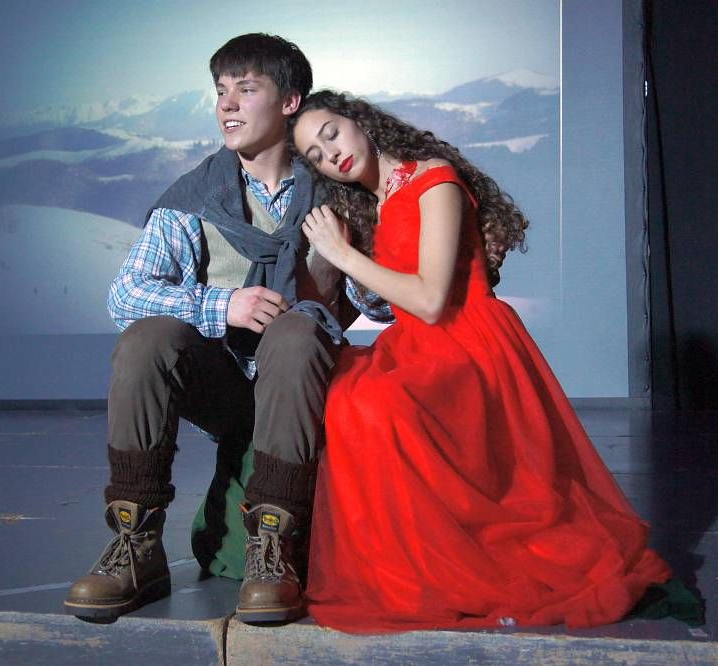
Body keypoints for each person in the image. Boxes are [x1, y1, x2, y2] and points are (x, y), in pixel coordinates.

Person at [289, 91, 676, 632]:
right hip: (416, 343)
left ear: (360, 121)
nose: (331, 154)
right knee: (348, 395)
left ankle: (458, 562)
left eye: (331, 133)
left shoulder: (435, 180)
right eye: (316, 155)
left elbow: (430, 300)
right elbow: (386, 302)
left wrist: (344, 255)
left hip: (467, 342)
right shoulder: (371, 204)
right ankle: (412, 564)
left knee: (379, 400)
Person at [64, 35, 356, 625]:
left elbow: (384, 304)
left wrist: (348, 261)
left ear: (290, 102)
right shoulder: (194, 197)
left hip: (305, 386)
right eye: (221, 91)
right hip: (228, 384)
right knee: (146, 338)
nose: (227, 105)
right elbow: (125, 294)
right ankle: (136, 543)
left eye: (247, 90)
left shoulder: (335, 192)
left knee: (294, 332)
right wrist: (223, 305)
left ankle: (272, 547)